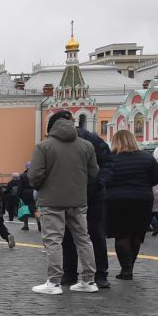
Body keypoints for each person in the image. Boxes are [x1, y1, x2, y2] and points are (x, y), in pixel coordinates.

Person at [28, 110, 100, 294]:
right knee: (83, 239)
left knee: (53, 241)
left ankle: (54, 283)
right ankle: (89, 281)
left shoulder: (43, 146)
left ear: (51, 126)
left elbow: (35, 176)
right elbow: (94, 172)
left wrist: (42, 186)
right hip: (78, 199)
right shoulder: (86, 145)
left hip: (51, 200)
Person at [58, 120, 113, 287]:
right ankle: (70, 273)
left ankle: (100, 274)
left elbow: (107, 165)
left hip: (93, 195)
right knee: (68, 235)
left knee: (95, 234)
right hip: (69, 195)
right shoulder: (58, 142)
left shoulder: (93, 141)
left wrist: (98, 183)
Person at [105, 129, 158, 280]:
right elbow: (157, 177)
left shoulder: (110, 158)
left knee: (121, 234)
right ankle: (130, 267)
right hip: (143, 199)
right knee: (137, 234)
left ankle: (126, 268)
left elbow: (105, 178)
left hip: (116, 200)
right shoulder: (146, 157)